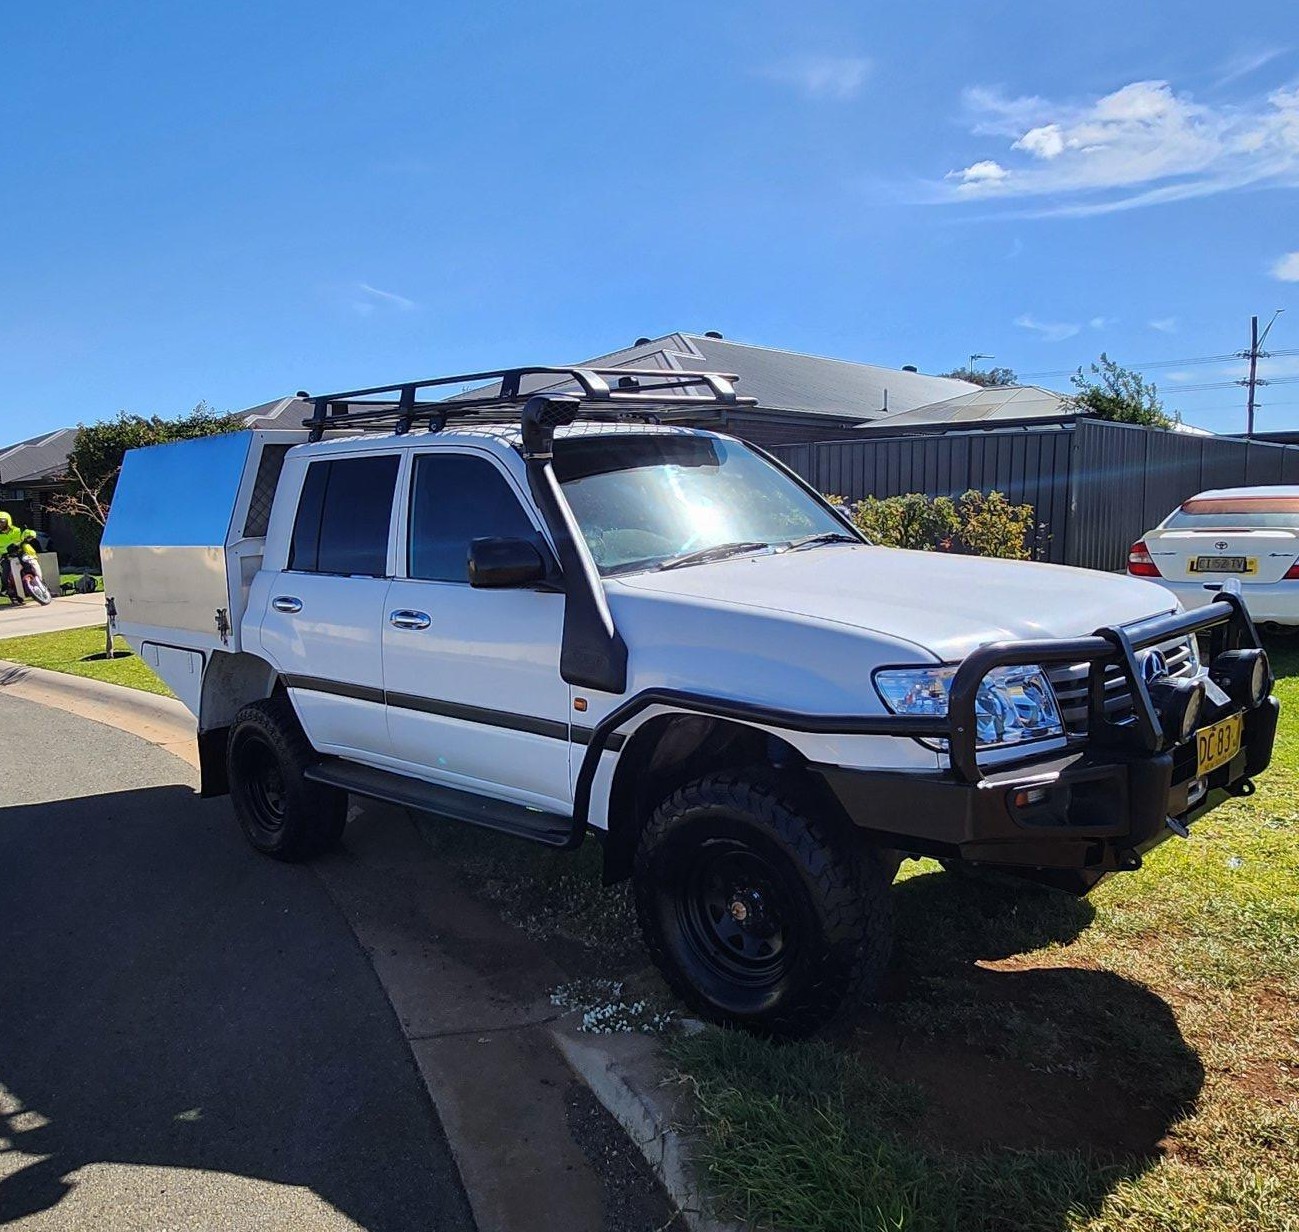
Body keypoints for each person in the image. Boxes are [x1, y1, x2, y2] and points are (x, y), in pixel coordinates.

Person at [0, 512, 38, 605]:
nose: (0, 524)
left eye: (2, 521)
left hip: (20, 553)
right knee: (5, 574)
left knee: (32, 566)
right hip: (6, 557)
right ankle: (13, 596)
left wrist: (31, 534)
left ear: (8, 521)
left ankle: (43, 586)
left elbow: (27, 532)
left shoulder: (17, 530)